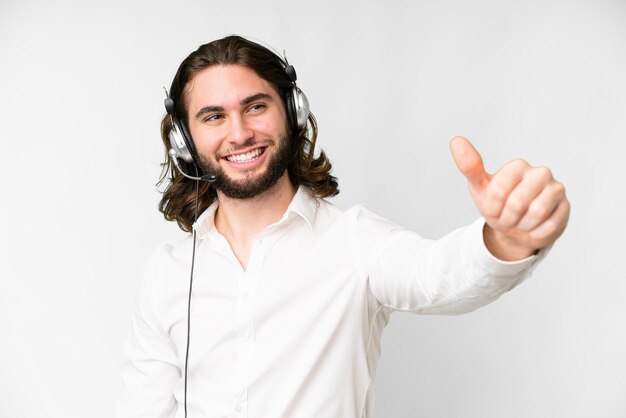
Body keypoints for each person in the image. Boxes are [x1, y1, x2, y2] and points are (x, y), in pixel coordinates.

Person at [118, 35, 569, 418]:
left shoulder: (355, 241)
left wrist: (507, 239)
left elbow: (438, 275)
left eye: (255, 107)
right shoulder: (167, 274)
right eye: (213, 116)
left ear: (293, 114)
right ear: (184, 141)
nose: (238, 133)